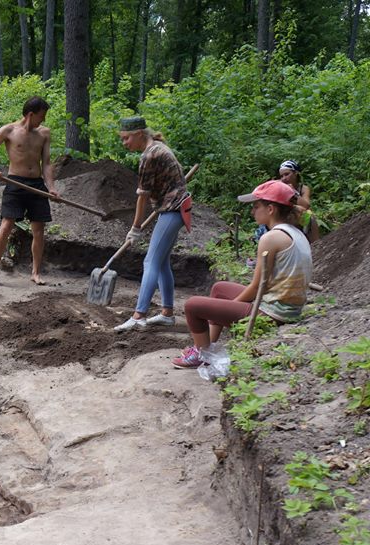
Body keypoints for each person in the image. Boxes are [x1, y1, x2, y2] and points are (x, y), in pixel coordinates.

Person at [173, 180, 311, 368]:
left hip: (273, 315)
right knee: (219, 288)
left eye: (256, 206)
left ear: (271, 209)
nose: (252, 211)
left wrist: (228, 306)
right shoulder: (296, 233)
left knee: (192, 306)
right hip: (288, 308)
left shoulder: (270, 238)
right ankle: (208, 348)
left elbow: (256, 287)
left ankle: (200, 354)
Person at [112, 116, 190, 332]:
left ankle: (139, 316)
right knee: (162, 261)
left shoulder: (150, 155)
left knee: (150, 262)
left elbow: (143, 197)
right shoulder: (158, 147)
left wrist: (135, 228)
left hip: (173, 209)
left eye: (126, 138)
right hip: (176, 207)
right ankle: (167, 313)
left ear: (139, 134)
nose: (124, 143)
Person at [0, 96, 58, 287]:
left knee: (39, 230)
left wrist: (52, 187)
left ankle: (36, 272)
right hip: (15, 182)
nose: (44, 119)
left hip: (36, 185)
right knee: (6, 225)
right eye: (42, 115)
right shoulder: (9, 130)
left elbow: (46, 163)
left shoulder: (44, 133)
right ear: (31, 114)